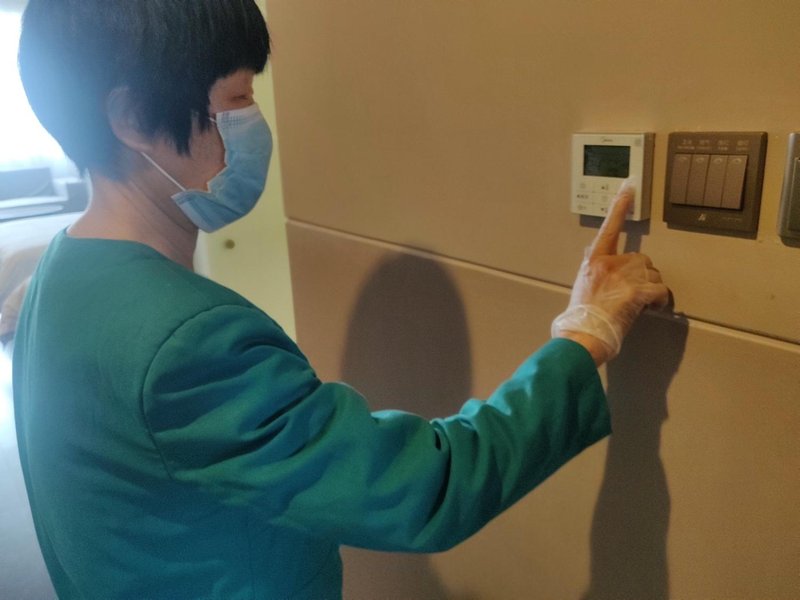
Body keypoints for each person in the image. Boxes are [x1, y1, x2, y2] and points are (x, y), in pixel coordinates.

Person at [13, 1, 669, 599]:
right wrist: (586, 333)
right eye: (236, 99)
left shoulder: (59, 275)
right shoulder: (189, 340)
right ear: (132, 118)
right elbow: (428, 490)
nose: (255, 126)